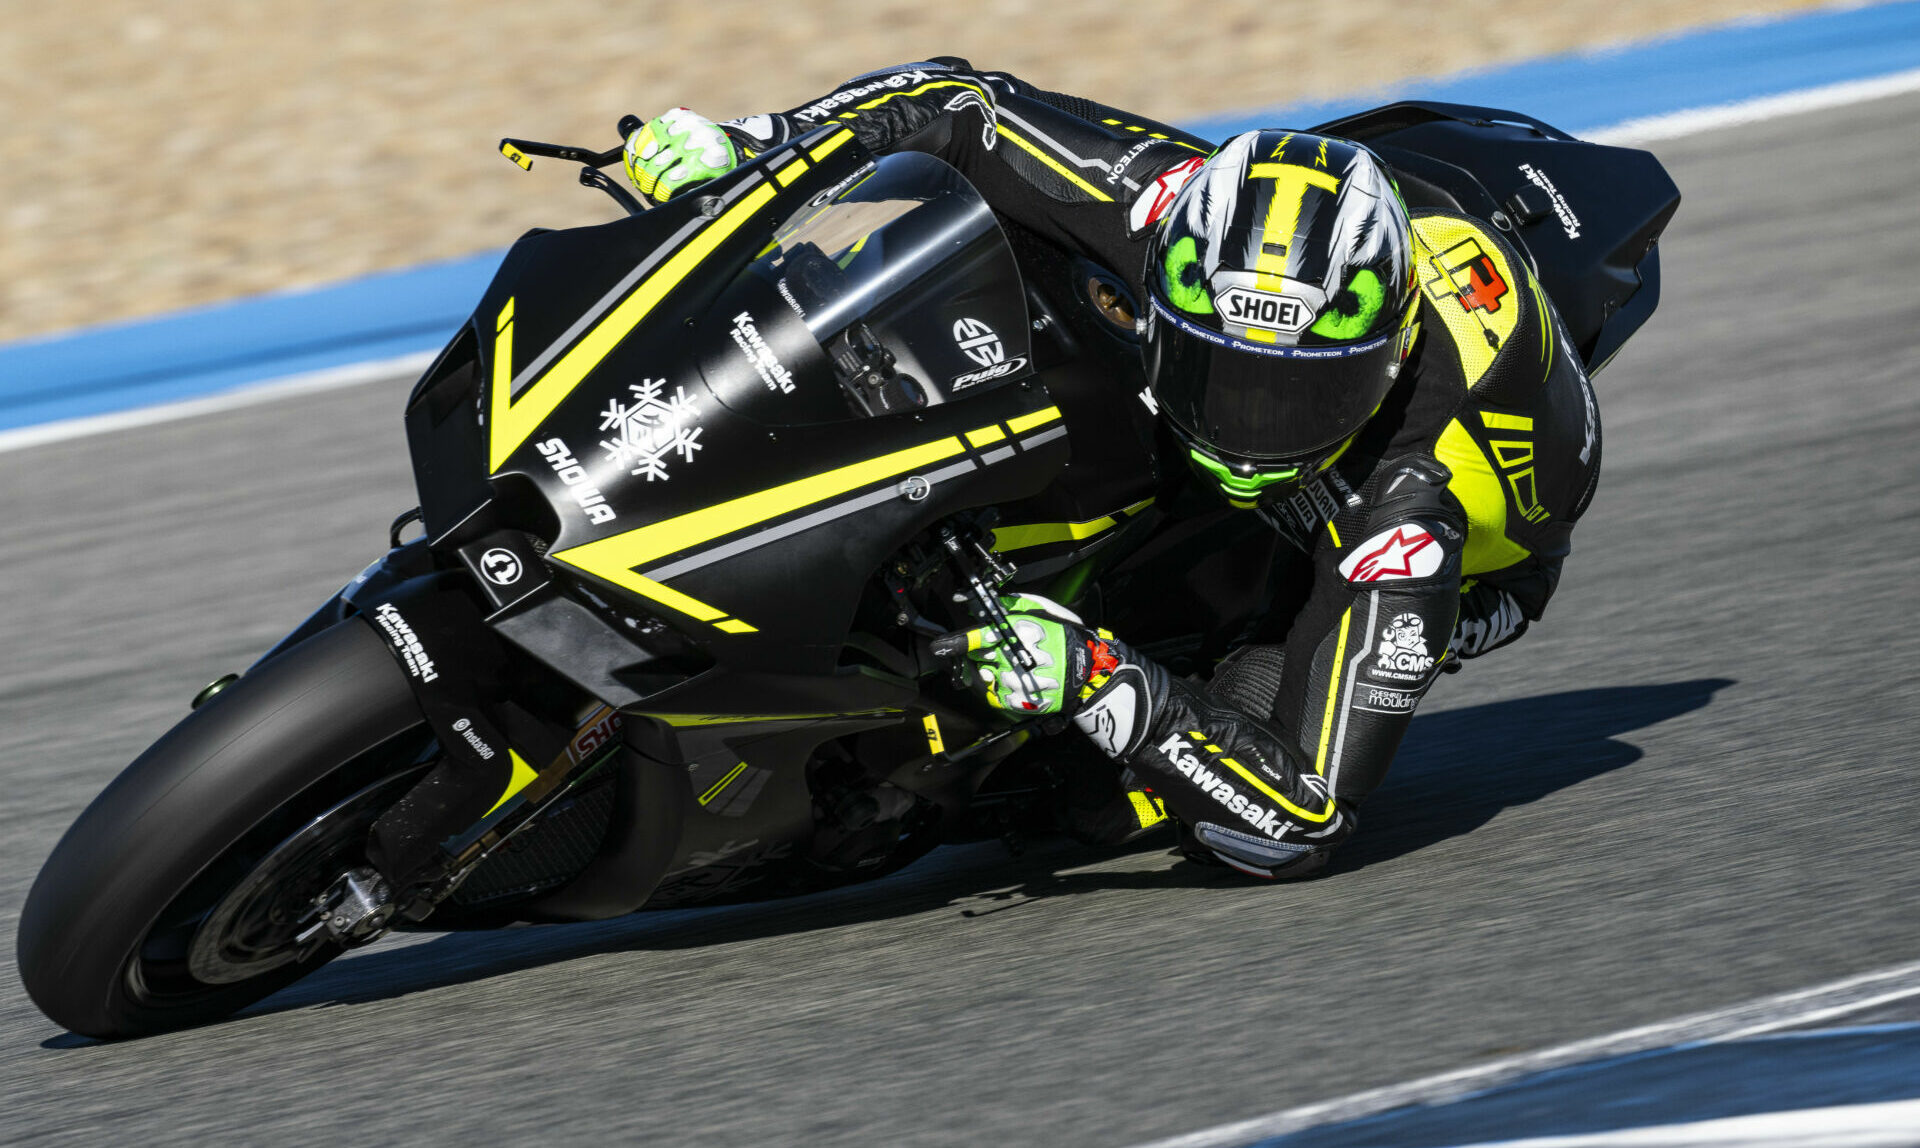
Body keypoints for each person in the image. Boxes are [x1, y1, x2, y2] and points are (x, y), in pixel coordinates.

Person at [623, 60, 1602, 878]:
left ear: (1378, 367)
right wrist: (767, 144)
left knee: (1116, 790)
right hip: (1346, 275)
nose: (1250, 425)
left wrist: (1102, 678)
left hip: (1451, 541)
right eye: (1221, 371)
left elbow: (1304, 815)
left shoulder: (1409, 514)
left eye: (1294, 397)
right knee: (996, 270)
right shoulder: (1166, 206)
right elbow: (968, 107)